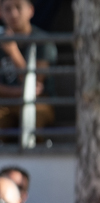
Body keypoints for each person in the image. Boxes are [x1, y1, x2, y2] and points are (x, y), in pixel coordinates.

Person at [0, 0, 57, 136]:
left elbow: (35, 83)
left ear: (30, 10)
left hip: (38, 103)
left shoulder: (43, 41)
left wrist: (13, 52)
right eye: (8, 9)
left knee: (35, 120)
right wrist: (18, 92)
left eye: (18, 7)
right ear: (1, 13)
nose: (13, 13)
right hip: (5, 104)